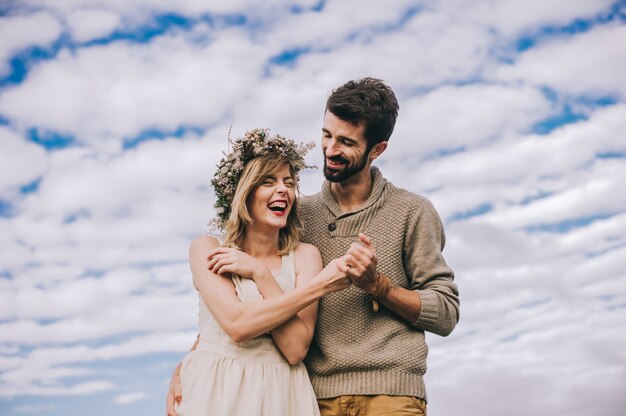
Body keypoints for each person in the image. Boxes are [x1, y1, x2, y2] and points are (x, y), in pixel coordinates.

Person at [167, 78, 460, 416]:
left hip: (389, 393)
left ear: (377, 149)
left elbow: (446, 312)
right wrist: (191, 361)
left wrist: (377, 286)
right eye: (326, 135)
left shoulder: (411, 212)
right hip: (314, 396)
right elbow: (237, 311)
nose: (331, 149)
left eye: (346, 142)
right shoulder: (294, 217)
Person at [171, 128, 352, 416]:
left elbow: (295, 350)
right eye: (268, 181)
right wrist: (321, 285)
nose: (283, 189)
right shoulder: (206, 248)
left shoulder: (305, 257)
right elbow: (237, 325)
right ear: (244, 192)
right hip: (217, 390)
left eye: (288, 182)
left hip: (282, 394)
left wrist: (261, 274)